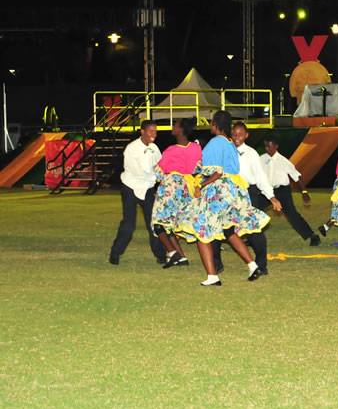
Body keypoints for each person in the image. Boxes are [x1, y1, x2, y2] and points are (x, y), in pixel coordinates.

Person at [176, 111, 269, 286]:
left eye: (211, 122)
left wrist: (200, 186)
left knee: (201, 229)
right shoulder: (230, 144)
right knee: (228, 230)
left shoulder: (216, 142)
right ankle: (253, 265)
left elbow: (217, 172)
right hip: (234, 191)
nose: (210, 124)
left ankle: (212, 276)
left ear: (216, 124)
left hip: (220, 190)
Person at [211, 122, 282, 275]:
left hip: (246, 193)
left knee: (254, 230)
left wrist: (272, 197)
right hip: (225, 193)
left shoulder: (251, 153)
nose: (237, 137)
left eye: (240, 134)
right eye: (234, 134)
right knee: (215, 227)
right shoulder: (224, 150)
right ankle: (216, 263)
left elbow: (260, 177)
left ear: (247, 135)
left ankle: (261, 265)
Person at [109, 120, 167, 265]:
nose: (154, 134)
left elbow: (161, 164)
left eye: (155, 131)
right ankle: (115, 253)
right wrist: (157, 176)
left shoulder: (154, 148)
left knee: (154, 222)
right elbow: (140, 172)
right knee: (129, 224)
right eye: (150, 131)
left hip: (147, 188)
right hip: (131, 187)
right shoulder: (132, 148)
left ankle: (161, 254)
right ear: (142, 131)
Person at [151, 117, 202, 268]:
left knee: (159, 223)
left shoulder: (171, 150)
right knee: (173, 224)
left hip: (170, 187)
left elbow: (158, 173)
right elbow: (198, 169)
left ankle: (173, 253)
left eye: (175, 125)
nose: (172, 127)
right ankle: (181, 258)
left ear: (180, 130)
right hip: (187, 188)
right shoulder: (196, 148)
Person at [260, 136, 321, 247]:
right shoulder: (262, 158)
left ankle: (313, 236)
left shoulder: (283, 161)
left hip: (282, 191)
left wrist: (304, 193)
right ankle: (253, 237)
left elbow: (297, 176)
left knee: (292, 215)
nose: (267, 149)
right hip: (268, 191)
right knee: (255, 209)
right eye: (266, 146)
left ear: (276, 146)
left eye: (270, 146)